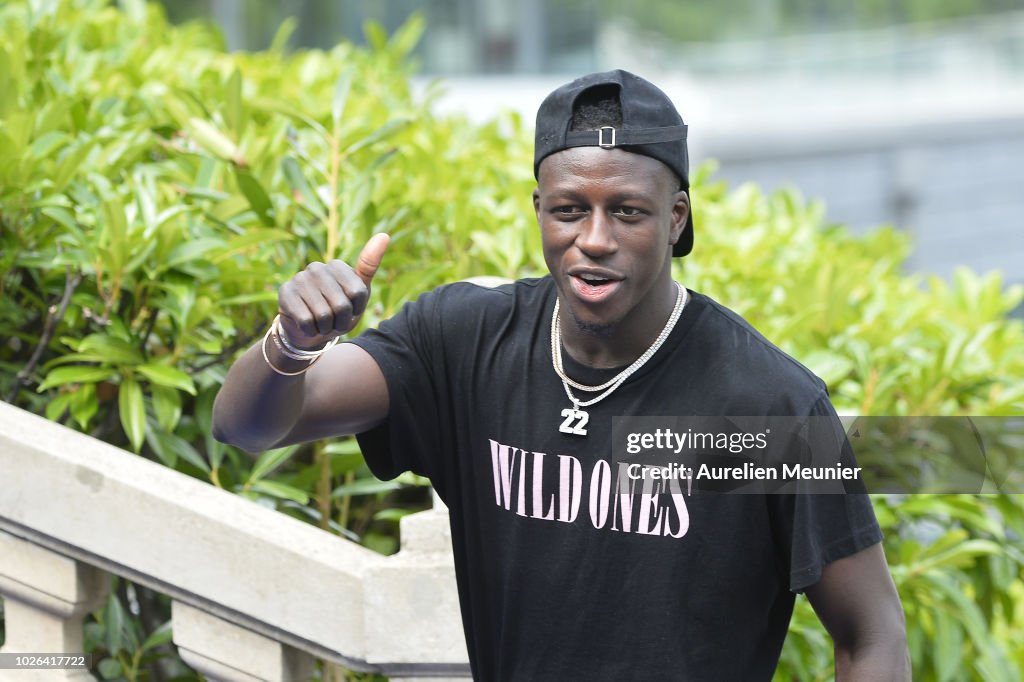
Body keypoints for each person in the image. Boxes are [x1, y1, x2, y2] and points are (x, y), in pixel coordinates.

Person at [213, 70, 909, 681]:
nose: (595, 239)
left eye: (628, 211)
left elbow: (871, 634)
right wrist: (293, 343)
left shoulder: (770, 407)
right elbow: (243, 426)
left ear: (676, 218)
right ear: (540, 212)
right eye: (569, 209)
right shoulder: (463, 341)